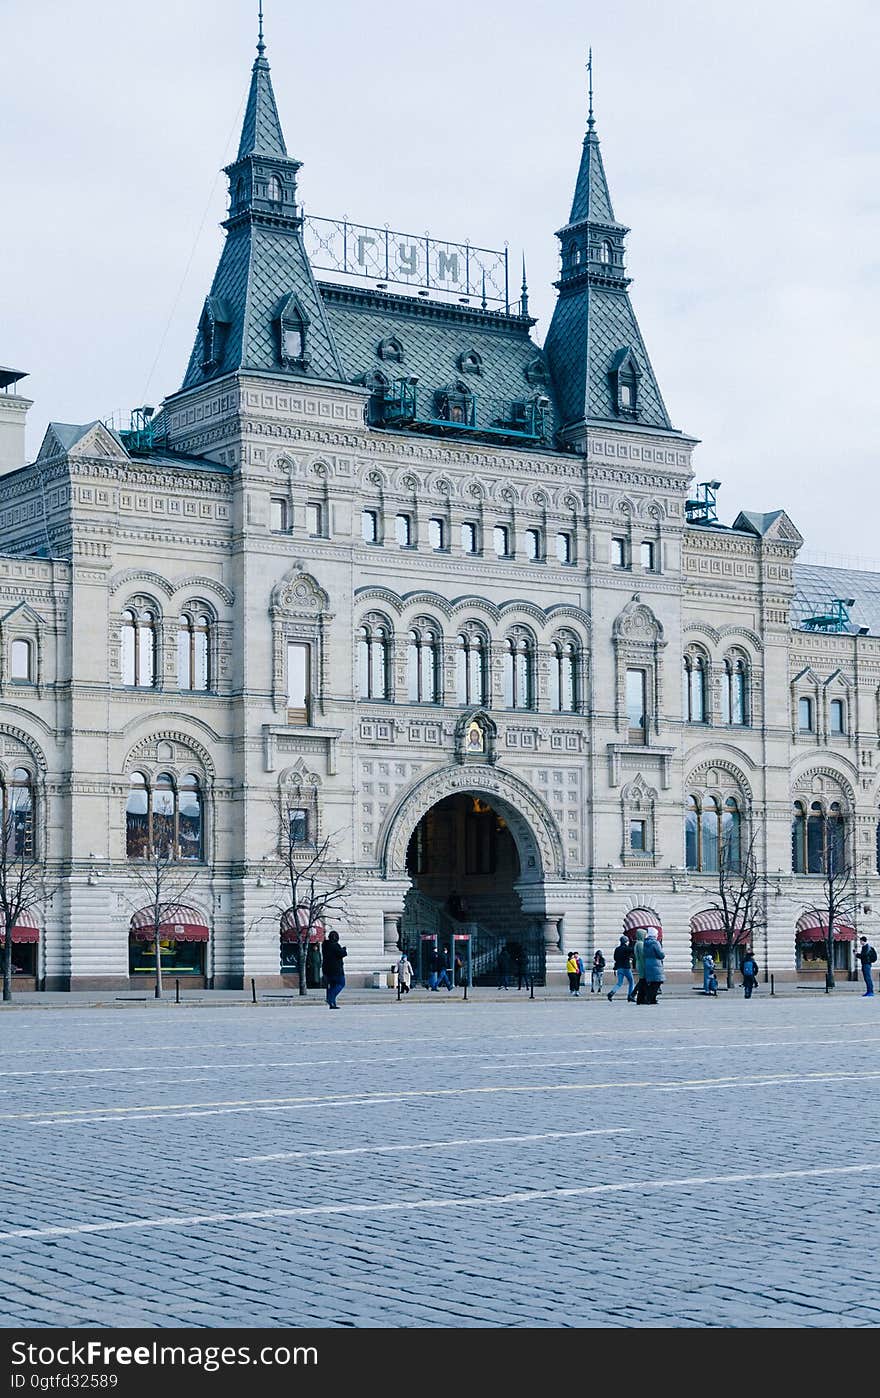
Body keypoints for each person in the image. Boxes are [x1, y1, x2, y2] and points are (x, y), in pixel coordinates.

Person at [321, 929, 347, 1009]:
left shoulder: (325, 945)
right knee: (341, 983)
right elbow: (341, 954)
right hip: (336, 970)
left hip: (327, 969)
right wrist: (344, 950)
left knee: (331, 985)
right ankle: (330, 999)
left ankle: (332, 1004)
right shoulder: (335, 946)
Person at [607, 935, 634, 1001]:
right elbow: (632, 950)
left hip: (619, 967)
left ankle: (612, 992)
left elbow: (615, 958)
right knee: (631, 982)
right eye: (627, 941)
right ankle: (630, 996)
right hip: (626, 967)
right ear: (625, 942)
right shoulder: (626, 948)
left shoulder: (617, 949)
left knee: (619, 983)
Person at [643, 930, 664, 1005]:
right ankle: (650, 999)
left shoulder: (645, 943)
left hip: (647, 963)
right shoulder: (655, 943)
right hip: (656, 964)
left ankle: (651, 999)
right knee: (657, 982)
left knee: (652, 983)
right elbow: (661, 954)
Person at [633, 928, 648, 1004]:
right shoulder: (640, 944)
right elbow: (643, 955)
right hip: (642, 964)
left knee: (642, 981)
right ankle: (641, 998)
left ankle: (639, 998)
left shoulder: (637, 943)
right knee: (643, 982)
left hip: (639, 964)